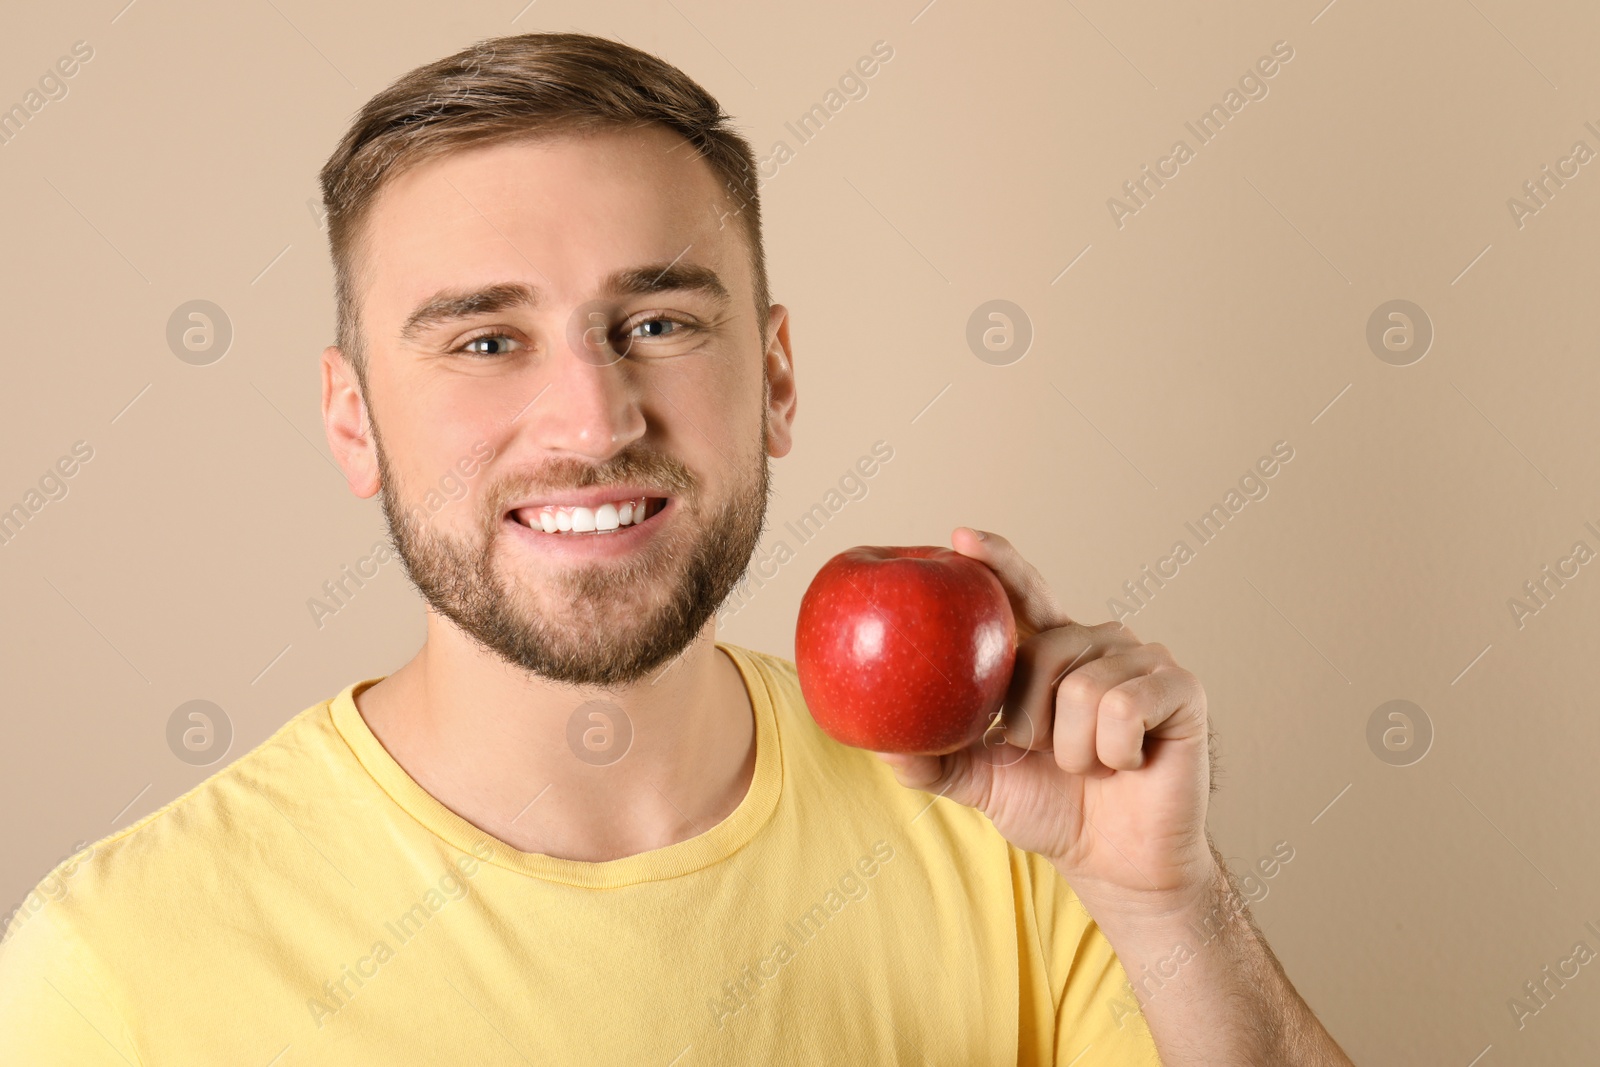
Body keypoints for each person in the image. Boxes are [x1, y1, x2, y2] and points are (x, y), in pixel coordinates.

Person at [0, 32, 1353, 1065]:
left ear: (772, 378)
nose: (594, 420)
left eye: (656, 324)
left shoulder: (1019, 836)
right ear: (353, 423)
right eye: (484, 341)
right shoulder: (118, 963)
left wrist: (1169, 907)